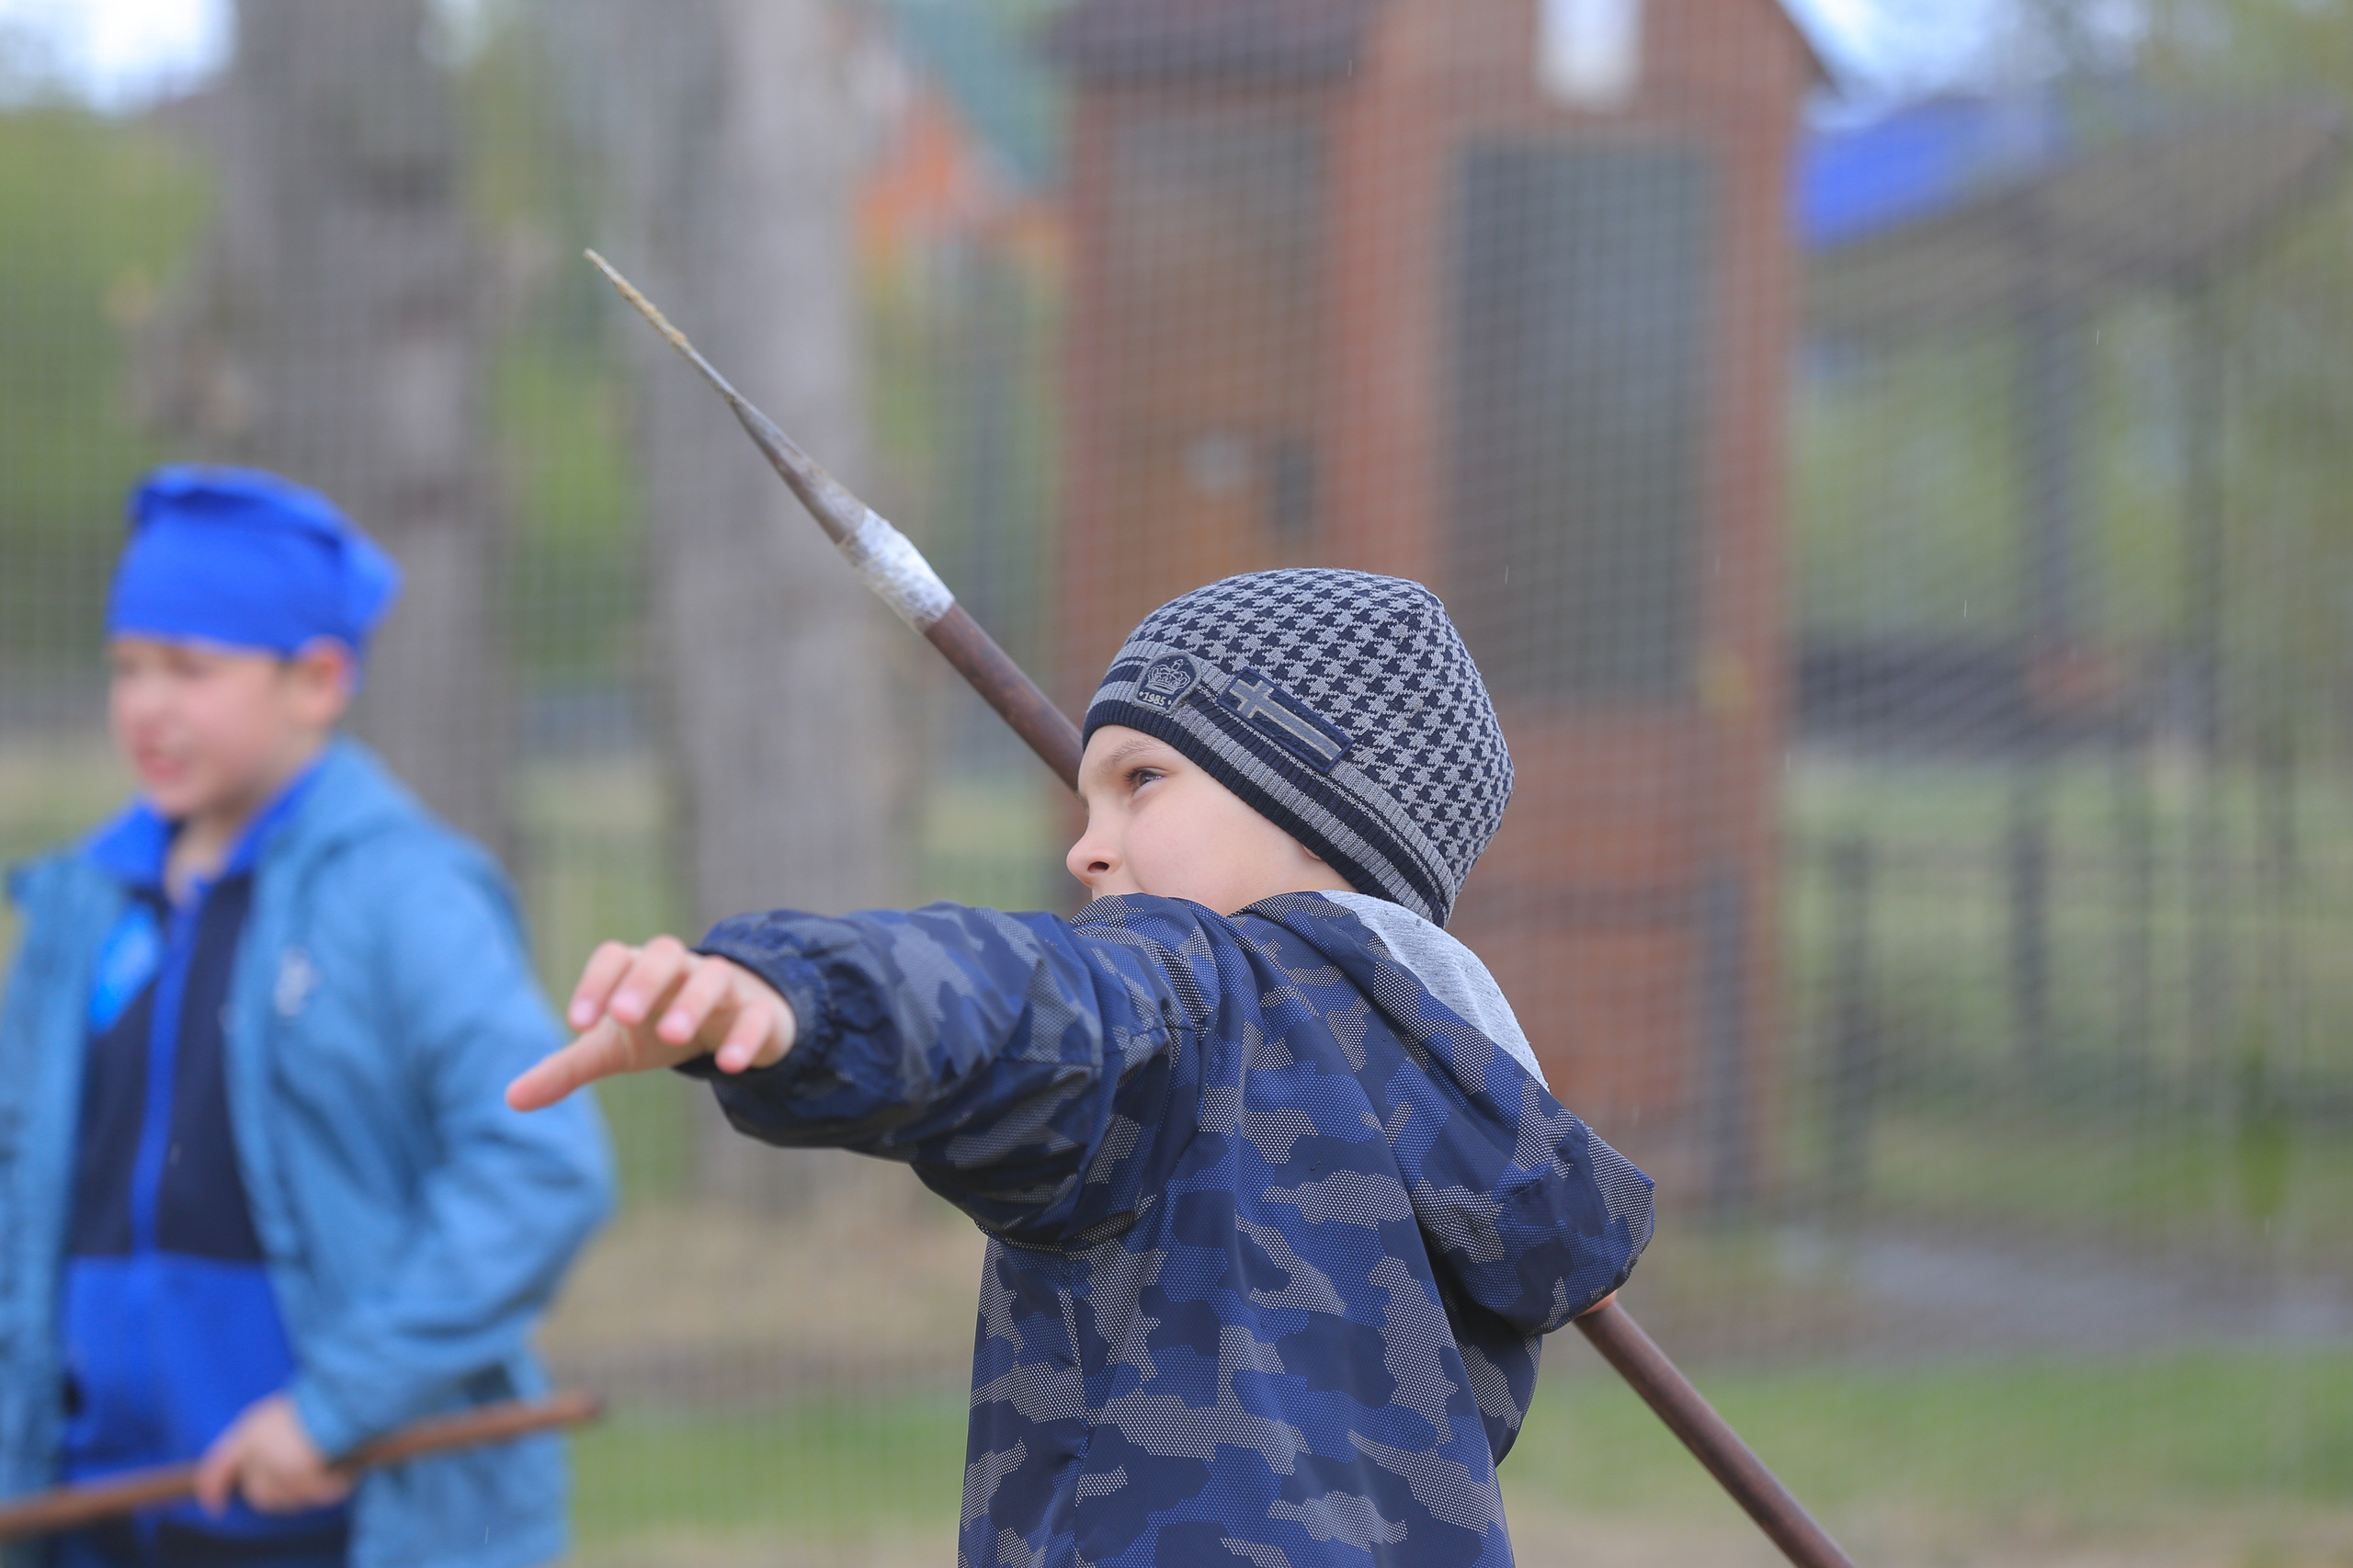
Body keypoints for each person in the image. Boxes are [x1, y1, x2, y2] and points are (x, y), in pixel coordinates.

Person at [510, 568, 1654, 1567]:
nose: (1084, 843)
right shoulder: (1475, 1084)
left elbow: (1028, 1001)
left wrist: (806, 995)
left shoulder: (1193, 988)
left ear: (1318, 813)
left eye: (1140, 778)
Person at [0, 468, 614, 1568]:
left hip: (335, 1521)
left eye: (190, 668)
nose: (147, 704)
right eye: (127, 667)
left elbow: (541, 1167)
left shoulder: (406, 896)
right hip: (96, 1516)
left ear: (319, 679)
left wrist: (333, 1407)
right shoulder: (79, 904)